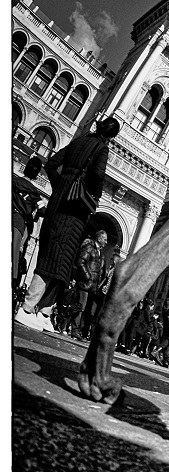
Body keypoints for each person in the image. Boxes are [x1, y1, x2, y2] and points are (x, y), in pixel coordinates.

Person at [16, 117, 120, 329]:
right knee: (57, 256)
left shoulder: (79, 141)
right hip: (74, 211)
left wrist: (60, 186)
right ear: (111, 136)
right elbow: (97, 175)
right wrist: (94, 196)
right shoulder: (101, 148)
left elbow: (52, 164)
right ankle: (27, 307)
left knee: (59, 257)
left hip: (58, 204)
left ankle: (44, 312)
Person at [12, 154, 46, 289]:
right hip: (18, 224)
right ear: (36, 174)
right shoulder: (34, 193)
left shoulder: (13, 182)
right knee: (14, 258)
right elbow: (43, 211)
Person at [66, 228, 107, 339]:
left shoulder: (101, 252)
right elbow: (81, 262)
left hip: (93, 287)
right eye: (104, 239)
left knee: (85, 309)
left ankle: (75, 327)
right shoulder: (89, 247)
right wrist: (87, 277)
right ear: (99, 238)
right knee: (80, 306)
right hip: (85, 283)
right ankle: (73, 328)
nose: (106, 242)